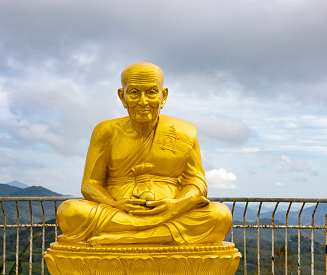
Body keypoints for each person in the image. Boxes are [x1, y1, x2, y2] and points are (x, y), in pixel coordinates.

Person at [57, 62, 231, 245]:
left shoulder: (183, 132)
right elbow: (90, 184)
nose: (143, 102)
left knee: (220, 215)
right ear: (122, 96)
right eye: (134, 92)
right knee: (69, 211)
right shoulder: (106, 131)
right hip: (120, 212)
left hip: (170, 212)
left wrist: (176, 203)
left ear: (163, 96)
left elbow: (197, 182)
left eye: (151, 92)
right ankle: (158, 234)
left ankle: (128, 237)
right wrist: (115, 204)